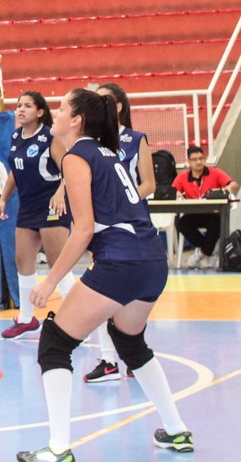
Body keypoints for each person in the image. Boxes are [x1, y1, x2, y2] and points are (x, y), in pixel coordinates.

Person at [17, 89, 193, 462]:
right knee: (130, 343)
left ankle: (59, 449)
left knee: (54, 343)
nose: (55, 113)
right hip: (150, 261)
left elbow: (83, 230)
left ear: (77, 120)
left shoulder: (78, 155)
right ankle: (177, 431)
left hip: (121, 262)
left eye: (62, 108)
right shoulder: (108, 152)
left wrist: (49, 281)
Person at [83, 83, 157, 383]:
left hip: (133, 227)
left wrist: (123, 203)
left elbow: (149, 184)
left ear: (118, 107)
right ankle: (108, 360)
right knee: (103, 292)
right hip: (103, 228)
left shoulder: (135, 139)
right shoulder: (92, 143)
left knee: (133, 297)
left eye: (104, 100)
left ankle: (132, 355)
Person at [0, 92, 71, 339]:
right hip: (27, 206)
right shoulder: (16, 136)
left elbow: (69, 169)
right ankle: (27, 319)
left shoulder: (51, 136)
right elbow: (15, 171)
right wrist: (4, 197)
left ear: (40, 112)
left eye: (27, 106)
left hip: (51, 204)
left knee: (57, 264)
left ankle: (75, 318)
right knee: (22, 261)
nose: (20, 109)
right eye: (18, 105)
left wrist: (61, 193)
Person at [172, 145, 239, 269]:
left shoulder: (215, 173)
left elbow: (233, 184)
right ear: (188, 161)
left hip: (212, 213)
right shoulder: (182, 177)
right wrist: (177, 193)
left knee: (216, 223)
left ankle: (201, 253)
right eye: (194, 159)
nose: (198, 162)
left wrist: (225, 190)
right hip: (193, 214)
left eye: (201, 158)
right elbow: (173, 190)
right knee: (182, 224)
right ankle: (210, 249)